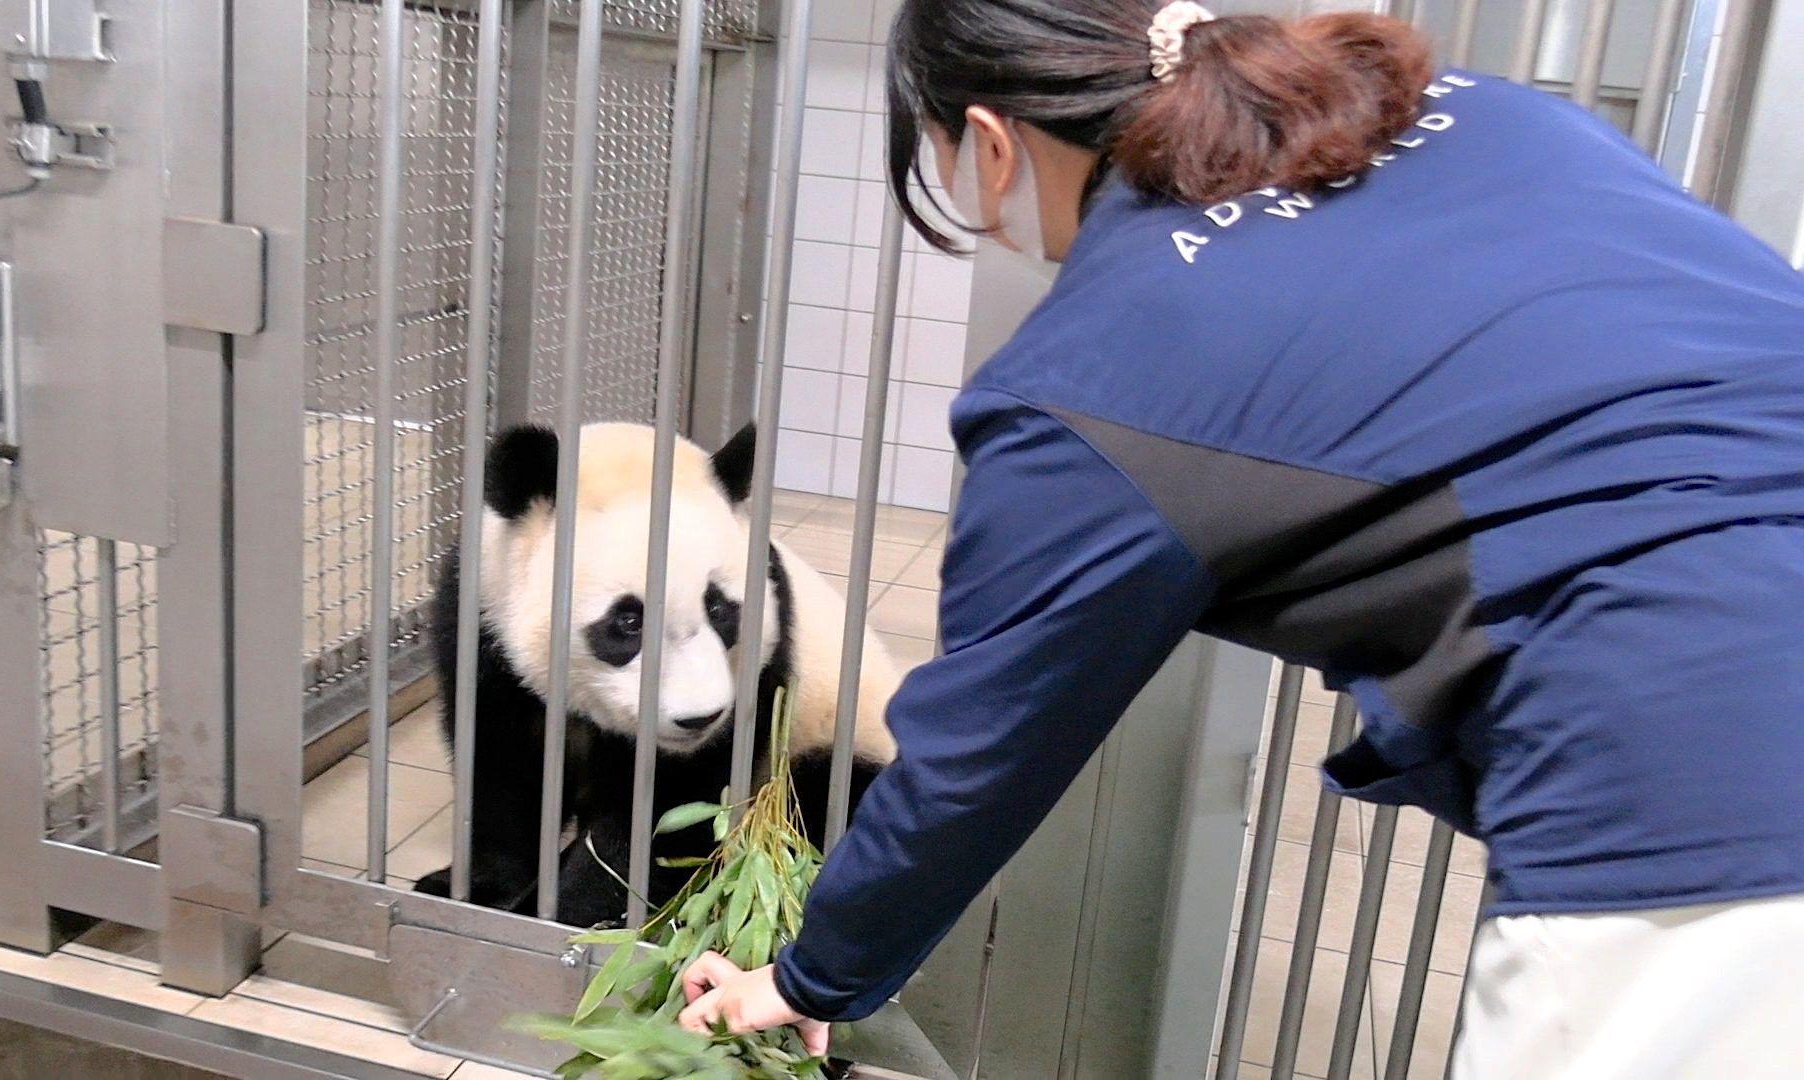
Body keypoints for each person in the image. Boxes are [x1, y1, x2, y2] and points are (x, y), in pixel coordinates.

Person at [678, 2, 1804, 1073]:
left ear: (988, 140)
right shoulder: (1478, 108)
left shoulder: (1088, 378)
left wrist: (814, 977)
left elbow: (974, 758)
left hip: (1703, 748)